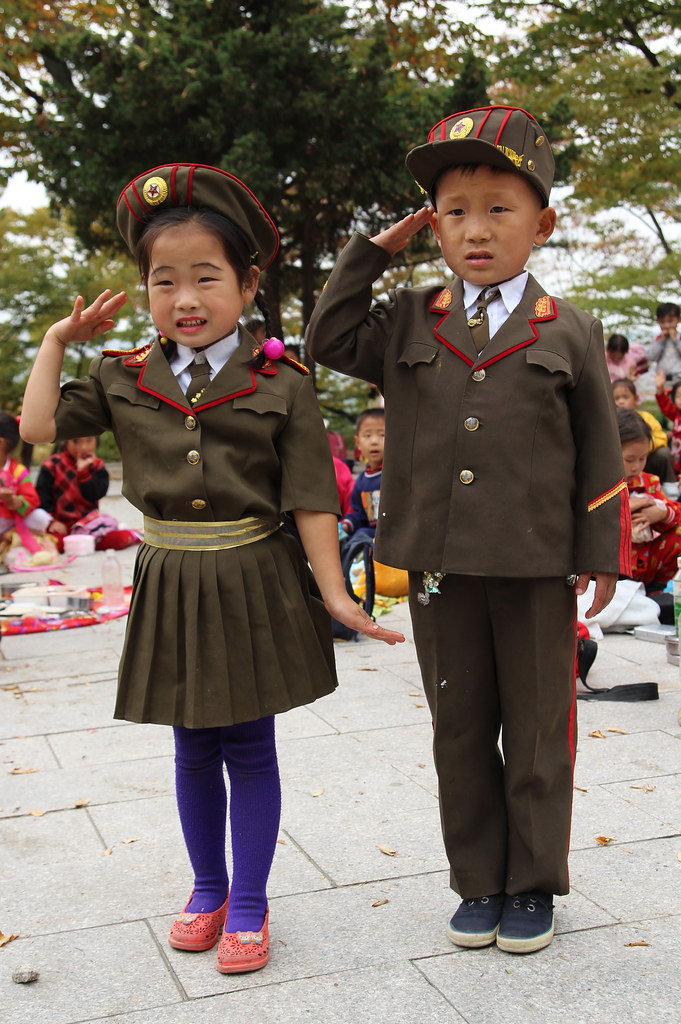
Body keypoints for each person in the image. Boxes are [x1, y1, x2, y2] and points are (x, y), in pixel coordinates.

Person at [20, 163, 403, 976]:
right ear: (144, 288)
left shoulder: (281, 380)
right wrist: (57, 341)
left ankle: (253, 905)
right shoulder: (120, 374)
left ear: (246, 281)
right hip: (169, 576)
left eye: (205, 277)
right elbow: (39, 424)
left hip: (252, 572)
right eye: (164, 281)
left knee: (250, 747)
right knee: (189, 746)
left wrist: (336, 595)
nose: (184, 298)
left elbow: (309, 498)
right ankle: (205, 891)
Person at [306, 105, 630, 954]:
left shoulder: (570, 328)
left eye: (498, 207)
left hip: (532, 564)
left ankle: (531, 885)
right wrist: (371, 253)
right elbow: (326, 335)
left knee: (535, 731)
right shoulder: (412, 317)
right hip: (439, 567)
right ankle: (477, 881)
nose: (474, 230)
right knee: (458, 729)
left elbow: (599, 448)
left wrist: (601, 554)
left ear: (542, 223)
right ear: (433, 226)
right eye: (454, 211)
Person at [618, 408, 681, 589]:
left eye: (643, 458)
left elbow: (676, 513)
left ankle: (657, 590)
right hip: (611, 570)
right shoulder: (597, 484)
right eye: (629, 459)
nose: (636, 467)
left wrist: (660, 513)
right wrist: (624, 508)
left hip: (646, 563)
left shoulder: (649, 482)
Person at [33, 436, 109, 542]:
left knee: (116, 535)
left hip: (88, 524)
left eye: (89, 441)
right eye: (76, 441)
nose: (83, 447)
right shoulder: (51, 465)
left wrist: (83, 472)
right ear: (65, 442)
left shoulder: (97, 465)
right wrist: (52, 521)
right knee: (55, 542)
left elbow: (97, 494)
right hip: (60, 526)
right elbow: (42, 498)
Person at [612, 378, 676, 483]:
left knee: (664, 453)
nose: (621, 401)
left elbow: (661, 436)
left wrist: (643, 449)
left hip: (649, 455)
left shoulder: (646, 417)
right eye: (616, 398)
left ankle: (670, 483)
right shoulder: (610, 422)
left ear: (636, 399)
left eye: (625, 397)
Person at [340, 408, 385, 541]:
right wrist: (347, 524)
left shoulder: (397, 475)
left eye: (382, 434)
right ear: (358, 442)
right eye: (367, 435)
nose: (374, 441)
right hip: (370, 534)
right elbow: (359, 514)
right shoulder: (361, 481)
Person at [0, 411, 44, 537]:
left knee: (40, 517)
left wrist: (17, 502)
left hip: (12, 519)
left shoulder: (18, 470)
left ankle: (12, 535)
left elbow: (32, 499)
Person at [655, 369, 681, 482]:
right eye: (679, 395)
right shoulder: (676, 414)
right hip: (676, 455)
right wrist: (660, 387)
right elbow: (664, 404)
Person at [649, 301, 681, 381]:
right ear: (657, 321)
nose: (667, 325)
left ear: (678, 319)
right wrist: (661, 342)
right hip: (662, 380)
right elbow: (651, 357)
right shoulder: (657, 339)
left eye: (670, 321)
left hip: (680, 379)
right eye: (662, 322)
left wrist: (676, 341)